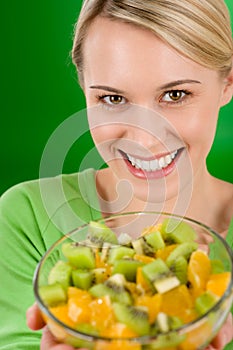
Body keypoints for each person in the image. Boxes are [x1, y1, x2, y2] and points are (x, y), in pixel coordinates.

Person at [0, 0, 233, 349]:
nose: (143, 138)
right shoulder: (27, 218)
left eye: (175, 94)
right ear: (84, 88)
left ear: (227, 84)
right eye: (112, 99)